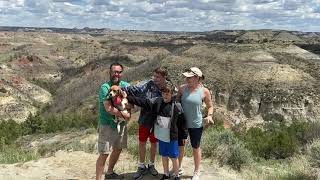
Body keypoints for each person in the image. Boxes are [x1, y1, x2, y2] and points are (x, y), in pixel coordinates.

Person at [126, 86, 186, 180]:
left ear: (172, 94)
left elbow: (182, 122)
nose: (165, 96)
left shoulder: (177, 106)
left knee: (174, 156)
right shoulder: (157, 102)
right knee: (164, 155)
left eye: (167, 94)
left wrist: (184, 136)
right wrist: (128, 97)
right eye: (163, 93)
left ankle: (177, 176)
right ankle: (166, 174)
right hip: (162, 135)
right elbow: (143, 102)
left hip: (172, 136)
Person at [123, 67, 167, 179]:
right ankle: (141, 166)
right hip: (145, 118)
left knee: (154, 142)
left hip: (158, 120)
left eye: (158, 77)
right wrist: (122, 90)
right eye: (154, 76)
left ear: (164, 77)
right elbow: (133, 89)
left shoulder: (168, 87)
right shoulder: (147, 84)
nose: (155, 79)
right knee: (142, 142)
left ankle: (151, 165)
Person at [176, 67, 214, 180]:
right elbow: (177, 102)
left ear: (197, 78)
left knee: (196, 147)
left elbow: (210, 106)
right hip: (182, 123)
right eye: (186, 77)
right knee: (180, 146)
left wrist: (209, 115)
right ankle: (178, 167)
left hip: (196, 124)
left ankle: (197, 171)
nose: (186, 79)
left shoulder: (204, 91)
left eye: (189, 77)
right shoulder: (182, 89)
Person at [96, 62, 131, 180]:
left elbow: (132, 104)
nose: (117, 74)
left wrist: (128, 109)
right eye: (114, 71)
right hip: (107, 124)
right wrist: (124, 114)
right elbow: (108, 108)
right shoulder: (105, 87)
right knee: (104, 153)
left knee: (118, 148)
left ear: (122, 73)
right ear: (109, 72)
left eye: (119, 72)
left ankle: (110, 172)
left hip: (120, 124)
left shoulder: (126, 85)